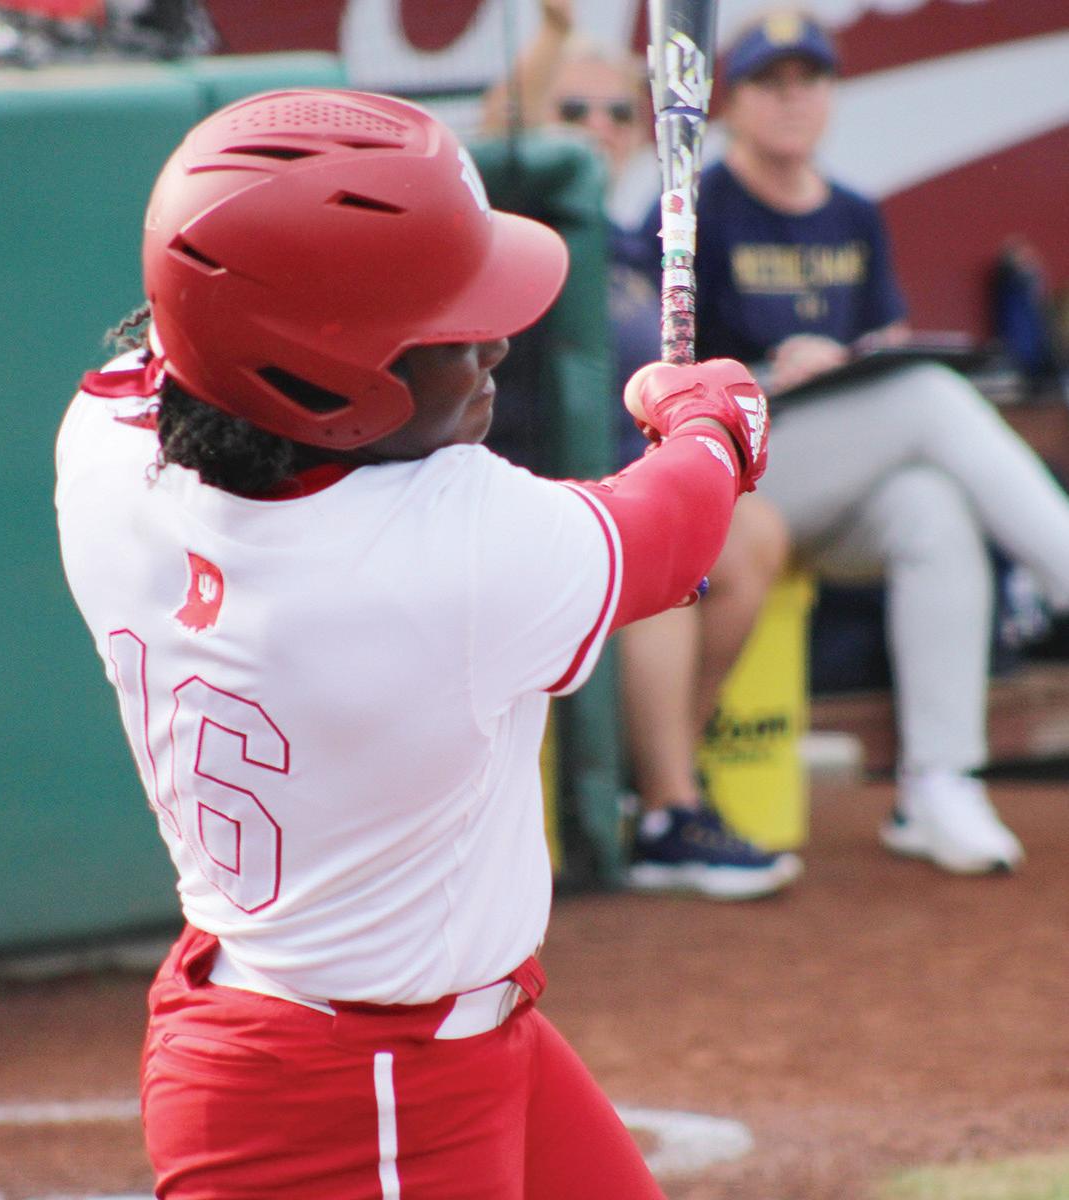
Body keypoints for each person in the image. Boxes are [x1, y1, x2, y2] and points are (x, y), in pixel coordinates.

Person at [55, 88, 769, 1198]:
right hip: (359, 1098)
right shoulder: (449, 554)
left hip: (373, 1035)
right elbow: (673, 530)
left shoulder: (106, 445)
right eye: (444, 331)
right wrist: (711, 421)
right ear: (323, 372)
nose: (493, 344)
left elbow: (199, 318)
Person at [624, 10, 1069, 875]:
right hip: (732, 471)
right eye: (769, 82)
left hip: (828, 475)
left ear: (832, 96)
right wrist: (765, 373)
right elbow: (653, 366)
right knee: (930, 400)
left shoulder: (853, 212)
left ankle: (939, 784)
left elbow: (882, 339)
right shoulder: (697, 201)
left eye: (809, 80)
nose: (793, 99)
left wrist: (851, 362)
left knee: (928, 507)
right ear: (730, 103)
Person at [482, 0, 801, 900]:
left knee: (752, 535)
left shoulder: (628, 247)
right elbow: (493, 140)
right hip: (523, 492)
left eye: (618, 111)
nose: (597, 127)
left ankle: (654, 784)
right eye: (572, 109)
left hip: (614, 489)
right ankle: (667, 807)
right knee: (663, 558)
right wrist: (551, 36)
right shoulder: (511, 226)